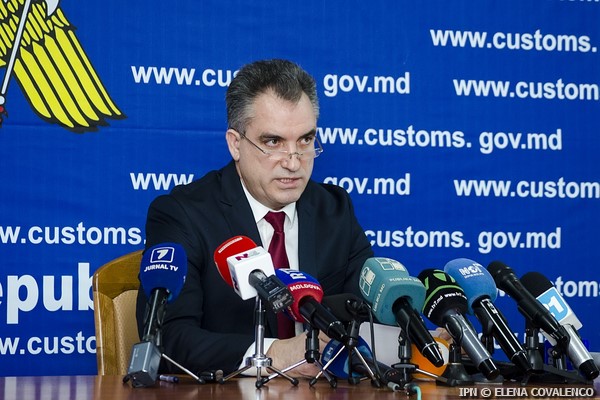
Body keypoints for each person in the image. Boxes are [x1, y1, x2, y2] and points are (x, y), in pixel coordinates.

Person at [135, 59, 374, 378]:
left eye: (305, 140)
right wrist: (274, 354)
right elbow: (168, 338)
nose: (293, 163)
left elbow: (367, 315)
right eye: (273, 142)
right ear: (236, 144)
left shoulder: (334, 209)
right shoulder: (184, 214)